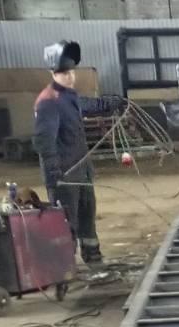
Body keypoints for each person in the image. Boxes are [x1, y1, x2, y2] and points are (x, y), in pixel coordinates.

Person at [32, 40, 121, 267]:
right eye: (64, 73)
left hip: (81, 169)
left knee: (87, 214)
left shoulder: (69, 97)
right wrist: (54, 173)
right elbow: (43, 141)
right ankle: (64, 266)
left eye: (72, 72)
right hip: (65, 173)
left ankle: (93, 256)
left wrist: (111, 103)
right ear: (53, 73)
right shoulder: (48, 102)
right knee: (66, 222)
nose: (70, 77)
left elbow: (88, 105)